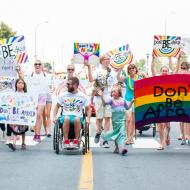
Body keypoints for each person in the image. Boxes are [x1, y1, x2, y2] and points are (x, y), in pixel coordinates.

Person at [84, 54, 117, 148]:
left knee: (108, 117)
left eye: (109, 59)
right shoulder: (97, 71)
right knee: (99, 118)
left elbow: (114, 85)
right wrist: (89, 67)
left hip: (109, 97)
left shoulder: (112, 72)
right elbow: (90, 79)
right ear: (102, 60)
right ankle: (98, 132)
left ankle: (105, 139)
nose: (108, 60)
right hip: (98, 97)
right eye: (106, 59)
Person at [53, 77, 91, 148]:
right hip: (65, 116)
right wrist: (54, 117)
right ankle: (66, 141)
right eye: (67, 84)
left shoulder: (82, 96)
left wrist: (88, 118)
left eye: (68, 84)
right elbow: (57, 107)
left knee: (77, 119)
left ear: (75, 85)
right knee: (67, 118)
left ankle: (76, 141)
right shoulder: (63, 95)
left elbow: (88, 109)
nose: (67, 85)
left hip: (78, 117)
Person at [98, 85, 134, 155]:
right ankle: (116, 147)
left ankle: (123, 147)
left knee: (122, 133)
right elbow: (104, 104)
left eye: (114, 91)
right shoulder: (111, 100)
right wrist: (101, 96)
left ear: (119, 93)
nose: (113, 93)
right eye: (112, 92)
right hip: (115, 120)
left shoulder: (123, 100)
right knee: (115, 133)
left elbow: (127, 108)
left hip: (122, 120)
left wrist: (132, 102)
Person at [117, 64, 141, 145]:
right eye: (129, 68)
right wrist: (120, 68)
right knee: (128, 119)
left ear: (135, 69)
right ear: (128, 70)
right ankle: (127, 138)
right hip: (128, 100)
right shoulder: (127, 79)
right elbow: (118, 78)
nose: (131, 69)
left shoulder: (139, 78)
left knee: (134, 120)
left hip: (137, 100)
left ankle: (131, 137)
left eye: (133, 68)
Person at [151, 55, 172, 150]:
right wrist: (153, 59)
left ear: (168, 72)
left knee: (167, 125)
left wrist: (176, 59)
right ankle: (161, 143)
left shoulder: (171, 80)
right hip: (159, 104)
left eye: (166, 71)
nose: (164, 72)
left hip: (169, 104)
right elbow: (152, 70)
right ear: (161, 72)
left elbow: (175, 71)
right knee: (160, 124)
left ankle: (167, 135)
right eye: (163, 71)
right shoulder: (157, 79)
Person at [27, 60, 49, 142]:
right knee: (35, 115)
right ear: (34, 65)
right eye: (36, 64)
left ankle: (37, 134)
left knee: (39, 114)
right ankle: (35, 133)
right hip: (32, 97)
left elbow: (49, 86)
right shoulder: (30, 74)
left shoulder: (45, 75)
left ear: (41, 65)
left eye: (39, 64)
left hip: (42, 96)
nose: (37, 65)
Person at [7, 78, 29, 151]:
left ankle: (23, 143)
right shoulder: (13, 94)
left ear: (24, 85)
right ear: (16, 84)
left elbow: (29, 103)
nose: (21, 84)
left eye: (22, 83)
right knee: (15, 129)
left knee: (23, 130)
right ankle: (14, 143)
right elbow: (10, 103)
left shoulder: (26, 94)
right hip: (15, 114)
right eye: (19, 83)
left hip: (24, 114)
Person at [175, 54, 190, 145]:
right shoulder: (179, 75)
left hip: (188, 99)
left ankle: (188, 136)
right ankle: (184, 137)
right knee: (181, 119)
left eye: (185, 68)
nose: (183, 69)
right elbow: (175, 70)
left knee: (187, 119)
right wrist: (178, 58)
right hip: (180, 99)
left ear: (188, 68)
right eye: (182, 68)